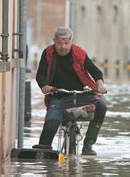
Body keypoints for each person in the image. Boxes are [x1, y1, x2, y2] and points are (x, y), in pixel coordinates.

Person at [33, 27, 107, 156]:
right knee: (52, 119)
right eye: (60, 43)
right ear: (54, 41)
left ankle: (88, 144)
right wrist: (44, 86)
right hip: (57, 95)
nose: (63, 46)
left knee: (101, 105)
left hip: (81, 94)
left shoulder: (79, 53)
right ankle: (44, 149)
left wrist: (100, 85)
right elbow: (40, 75)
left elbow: (95, 72)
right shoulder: (48, 53)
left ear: (71, 41)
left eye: (66, 43)